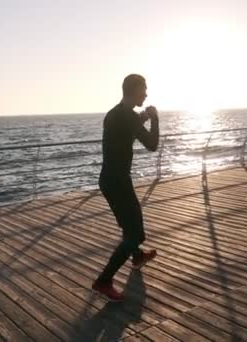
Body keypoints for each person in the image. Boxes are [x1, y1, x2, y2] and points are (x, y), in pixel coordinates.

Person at [92, 74, 159, 302]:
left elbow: (128, 124)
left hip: (110, 180)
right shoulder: (126, 117)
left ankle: (137, 256)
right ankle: (104, 280)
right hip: (118, 182)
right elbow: (151, 145)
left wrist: (143, 117)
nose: (146, 94)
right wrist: (155, 119)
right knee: (136, 233)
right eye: (144, 90)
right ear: (134, 90)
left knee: (128, 224)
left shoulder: (114, 114)